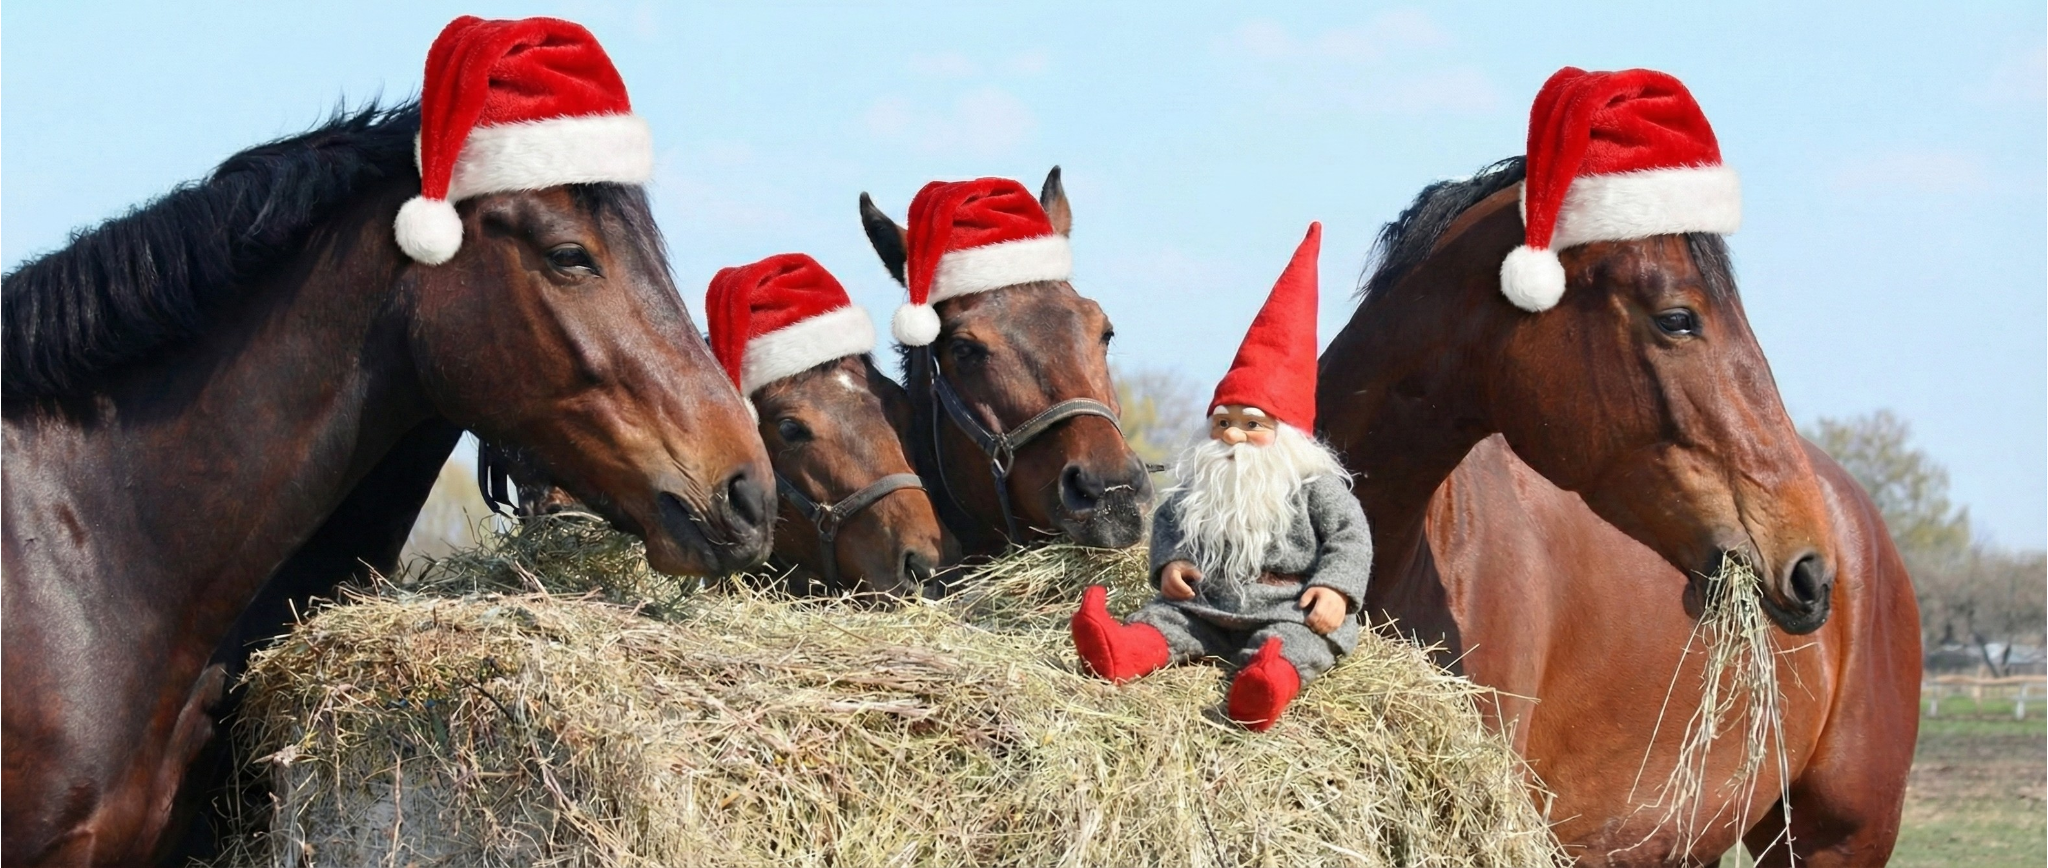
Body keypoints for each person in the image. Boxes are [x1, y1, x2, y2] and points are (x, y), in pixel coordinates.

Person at [1069, 222, 1371, 731]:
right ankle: (1122, 651)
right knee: (1164, 618)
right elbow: (1171, 519)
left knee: (1295, 643)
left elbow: (1349, 538)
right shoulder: (1202, 480)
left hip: (1286, 607)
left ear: (1286, 432)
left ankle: (1266, 685)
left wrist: (1335, 589)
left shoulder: (1313, 485)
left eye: (1251, 425)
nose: (1232, 437)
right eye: (1223, 423)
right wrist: (1171, 564)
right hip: (1207, 602)